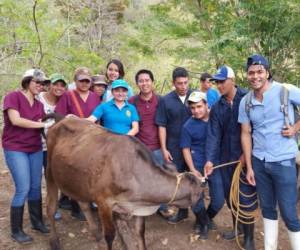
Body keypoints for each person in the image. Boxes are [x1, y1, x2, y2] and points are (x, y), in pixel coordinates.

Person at [238, 54, 300, 250]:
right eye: (251, 73)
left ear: (267, 72)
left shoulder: (286, 91)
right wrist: (249, 166)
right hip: (259, 162)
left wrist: (295, 128)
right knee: (267, 209)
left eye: (259, 72)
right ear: (247, 75)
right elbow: (245, 133)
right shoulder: (245, 101)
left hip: (283, 162)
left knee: (289, 212)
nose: (255, 76)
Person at [204, 65, 256, 250]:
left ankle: (249, 238)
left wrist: (247, 154)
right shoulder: (218, 106)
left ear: (232, 80)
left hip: (246, 159)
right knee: (230, 196)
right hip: (225, 159)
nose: (218, 85)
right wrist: (210, 159)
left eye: (222, 81)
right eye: (216, 82)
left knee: (245, 198)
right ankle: (238, 228)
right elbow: (213, 135)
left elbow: (256, 129)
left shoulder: (248, 99)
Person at [2, 69, 52, 243]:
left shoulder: (39, 105)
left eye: (42, 83)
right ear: (27, 81)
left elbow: (41, 126)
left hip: (35, 148)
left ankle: (37, 222)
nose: (40, 85)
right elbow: (16, 120)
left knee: (36, 186)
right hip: (15, 148)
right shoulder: (13, 97)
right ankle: (16, 230)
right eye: (37, 82)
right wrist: (43, 125)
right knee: (23, 187)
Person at [55, 67, 100, 220]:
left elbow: (98, 118)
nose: (84, 83)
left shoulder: (94, 97)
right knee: (75, 172)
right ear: (75, 81)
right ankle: (75, 207)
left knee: (88, 172)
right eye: (81, 80)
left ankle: (88, 202)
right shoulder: (68, 96)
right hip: (73, 141)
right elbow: (59, 117)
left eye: (87, 80)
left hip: (91, 141)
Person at [155, 67, 192, 223]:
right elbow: (161, 125)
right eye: (179, 83)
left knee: (193, 179)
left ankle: (203, 217)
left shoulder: (195, 97)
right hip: (174, 147)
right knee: (177, 180)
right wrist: (164, 149)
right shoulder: (166, 100)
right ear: (173, 83)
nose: (183, 86)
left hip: (193, 148)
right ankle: (182, 212)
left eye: (185, 83)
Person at [180, 91, 217, 239]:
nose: (196, 111)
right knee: (196, 198)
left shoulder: (215, 119)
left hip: (215, 164)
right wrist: (193, 169)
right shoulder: (188, 126)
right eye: (193, 108)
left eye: (199, 106)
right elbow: (185, 148)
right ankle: (203, 224)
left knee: (219, 199)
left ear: (206, 104)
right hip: (197, 164)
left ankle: (205, 218)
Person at [38, 73, 67, 220]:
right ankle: (41, 211)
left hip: (56, 146)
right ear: (49, 85)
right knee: (42, 179)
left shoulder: (64, 101)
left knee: (53, 177)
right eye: (56, 84)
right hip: (38, 144)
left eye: (62, 85)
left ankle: (53, 207)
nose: (59, 88)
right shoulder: (39, 98)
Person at [129, 69, 163, 164]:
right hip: (139, 149)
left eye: (147, 80)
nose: (144, 83)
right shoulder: (131, 102)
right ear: (137, 84)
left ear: (152, 82)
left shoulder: (161, 100)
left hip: (158, 149)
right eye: (141, 81)